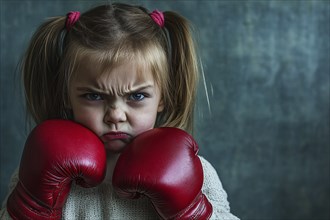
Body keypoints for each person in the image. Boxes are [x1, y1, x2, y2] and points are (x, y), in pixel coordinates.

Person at [0, 3, 239, 220]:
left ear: (163, 98)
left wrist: (192, 211)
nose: (115, 115)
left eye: (137, 96)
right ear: (66, 97)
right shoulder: (38, 171)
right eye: (94, 96)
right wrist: (32, 207)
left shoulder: (194, 172)